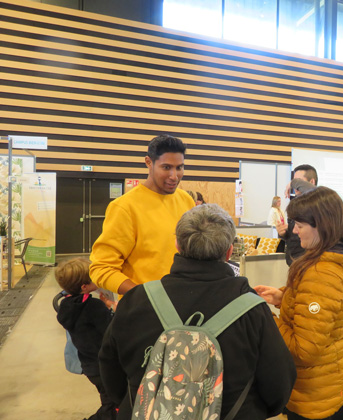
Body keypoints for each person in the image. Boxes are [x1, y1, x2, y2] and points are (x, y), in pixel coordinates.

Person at [99, 204, 296, 420]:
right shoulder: (252, 309)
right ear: (229, 251)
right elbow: (279, 383)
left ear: (177, 245)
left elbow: (110, 371)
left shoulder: (136, 300)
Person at [255, 186, 343, 420]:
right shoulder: (332, 260)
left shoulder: (322, 274)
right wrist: (284, 297)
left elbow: (303, 350)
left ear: (322, 226)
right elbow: (321, 312)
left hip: (314, 394)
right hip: (326, 382)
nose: (294, 231)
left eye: (300, 226)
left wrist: (266, 320)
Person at [89, 134, 196, 295]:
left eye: (179, 167)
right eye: (166, 167)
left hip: (184, 302)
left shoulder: (186, 200)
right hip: (144, 310)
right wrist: (145, 296)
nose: (174, 176)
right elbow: (101, 269)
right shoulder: (125, 207)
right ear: (148, 162)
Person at [55, 258, 117, 420]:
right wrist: (113, 309)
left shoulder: (67, 306)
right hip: (104, 365)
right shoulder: (94, 307)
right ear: (84, 286)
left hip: (89, 366)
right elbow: (111, 331)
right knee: (113, 405)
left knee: (109, 401)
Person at [277, 164, 319, 265]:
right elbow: (294, 234)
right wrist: (284, 233)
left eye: (298, 181)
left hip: (309, 262)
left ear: (311, 182)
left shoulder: (318, 204)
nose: (293, 185)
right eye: (293, 180)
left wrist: (293, 183)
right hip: (293, 262)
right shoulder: (295, 203)